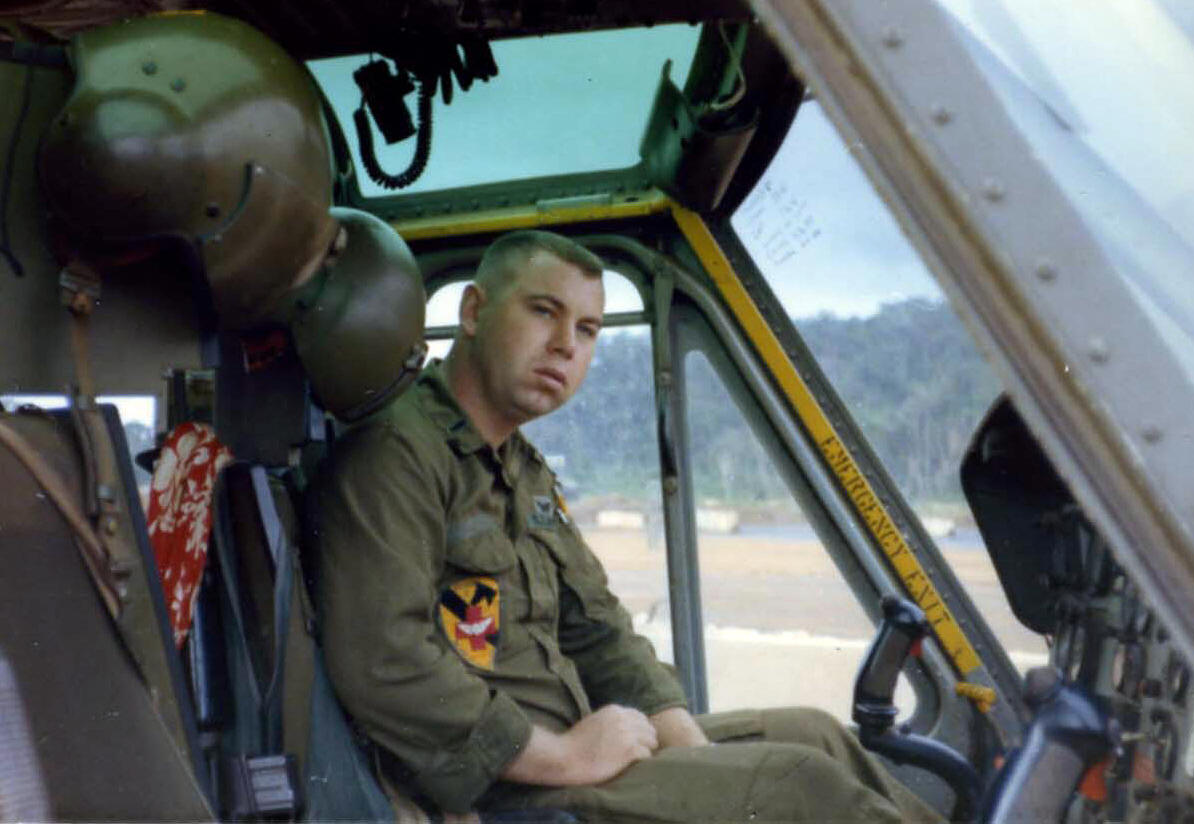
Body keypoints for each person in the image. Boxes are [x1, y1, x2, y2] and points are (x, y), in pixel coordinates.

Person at [308, 231, 943, 823]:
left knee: (816, 734)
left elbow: (597, 624)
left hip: (581, 748)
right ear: (473, 312)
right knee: (800, 786)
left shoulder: (522, 468)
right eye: (543, 311)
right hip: (503, 785)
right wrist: (562, 756)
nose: (567, 345)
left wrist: (686, 743)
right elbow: (383, 659)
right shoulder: (397, 451)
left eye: (588, 329)